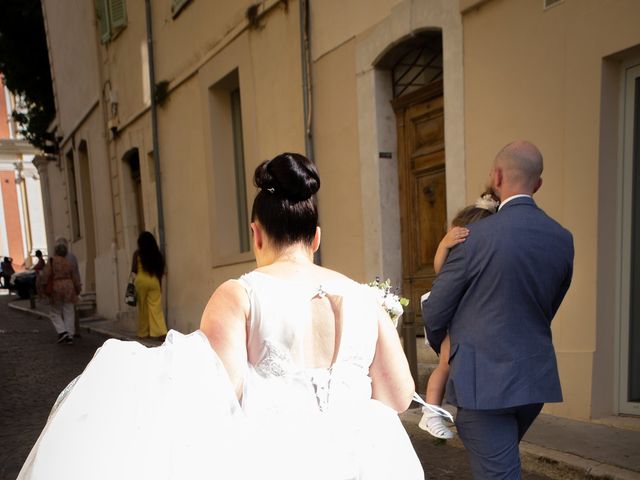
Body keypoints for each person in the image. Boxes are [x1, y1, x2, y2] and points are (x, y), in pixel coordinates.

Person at [18, 153, 424, 480]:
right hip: (364, 464)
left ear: (257, 233)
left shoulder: (241, 295)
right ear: (316, 238)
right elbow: (398, 395)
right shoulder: (363, 299)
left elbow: (213, 402)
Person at [422, 140, 574, 479]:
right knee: (502, 465)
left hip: (483, 384)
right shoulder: (562, 238)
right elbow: (548, 304)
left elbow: (436, 310)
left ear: (497, 176)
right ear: (538, 184)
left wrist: (448, 350)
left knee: (499, 474)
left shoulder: (472, 237)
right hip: (533, 382)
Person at [418, 192, 498, 439]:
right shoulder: (457, 251)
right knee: (444, 364)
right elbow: (441, 271)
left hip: (469, 318)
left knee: (450, 365)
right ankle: (430, 412)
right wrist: (444, 244)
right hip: (453, 315)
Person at [40, 243, 81, 344]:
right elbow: (75, 276)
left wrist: (43, 289)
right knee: (69, 311)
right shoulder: (68, 262)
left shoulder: (52, 261)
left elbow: (45, 275)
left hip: (56, 286)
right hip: (69, 286)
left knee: (55, 312)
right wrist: (77, 288)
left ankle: (62, 332)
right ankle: (70, 335)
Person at [130, 231, 168, 340]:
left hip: (140, 282)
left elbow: (133, 270)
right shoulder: (156, 254)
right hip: (154, 281)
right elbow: (160, 271)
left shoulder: (137, 254)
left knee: (143, 309)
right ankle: (160, 332)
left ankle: (144, 333)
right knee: (156, 307)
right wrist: (159, 285)